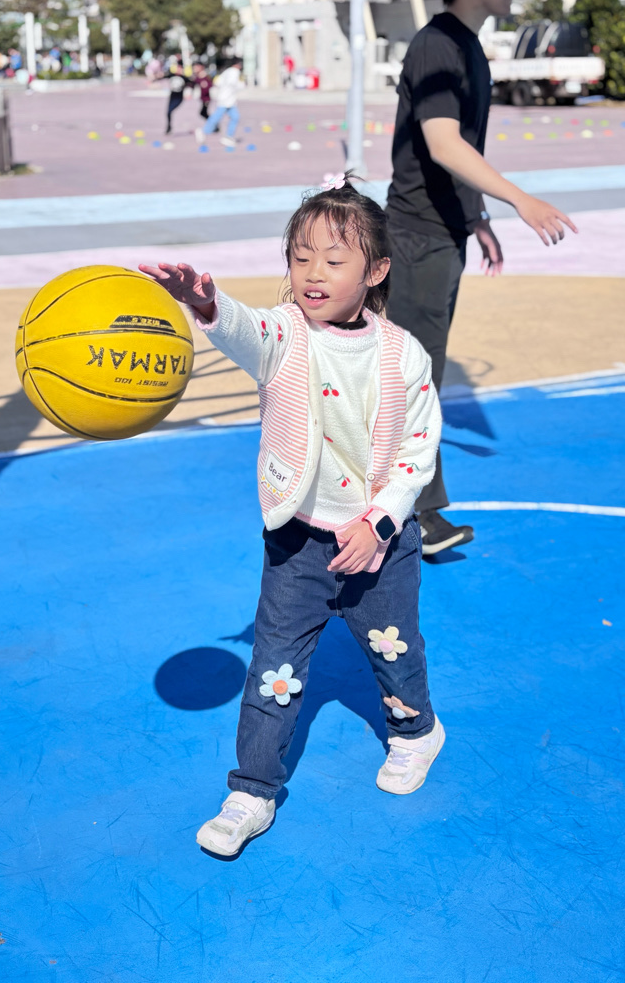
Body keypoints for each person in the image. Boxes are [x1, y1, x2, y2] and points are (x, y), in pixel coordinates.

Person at [139, 176, 445, 858]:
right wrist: (204, 302)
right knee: (273, 669)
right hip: (298, 545)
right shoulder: (284, 336)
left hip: (378, 545)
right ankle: (251, 791)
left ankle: (416, 731)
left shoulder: (403, 354)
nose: (313, 273)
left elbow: (418, 451)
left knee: (393, 651)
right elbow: (244, 329)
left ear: (376, 272)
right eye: (300, 257)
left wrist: (380, 523)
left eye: (333, 260)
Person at [385, 0, 578, 556]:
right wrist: (520, 199)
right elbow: (443, 144)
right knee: (414, 379)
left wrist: (476, 217)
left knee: (420, 375)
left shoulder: (468, 47)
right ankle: (414, 513)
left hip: (443, 234)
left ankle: (404, 506)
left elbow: (456, 149)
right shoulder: (437, 46)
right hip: (416, 238)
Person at [195, 58, 243, 148]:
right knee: (217, 117)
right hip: (227, 99)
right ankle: (203, 131)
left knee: (235, 117)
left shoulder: (226, 71)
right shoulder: (234, 72)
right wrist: (241, 85)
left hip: (226, 99)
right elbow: (233, 83)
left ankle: (228, 136)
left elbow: (217, 82)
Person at [163, 56, 189, 135]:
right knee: (168, 112)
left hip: (179, 98)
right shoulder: (172, 75)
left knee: (170, 111)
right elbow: (162, 77)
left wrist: (190, 92)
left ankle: (169, 127)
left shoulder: (184, 78)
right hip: (172, 97)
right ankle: (169, 127)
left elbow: (193, 83)